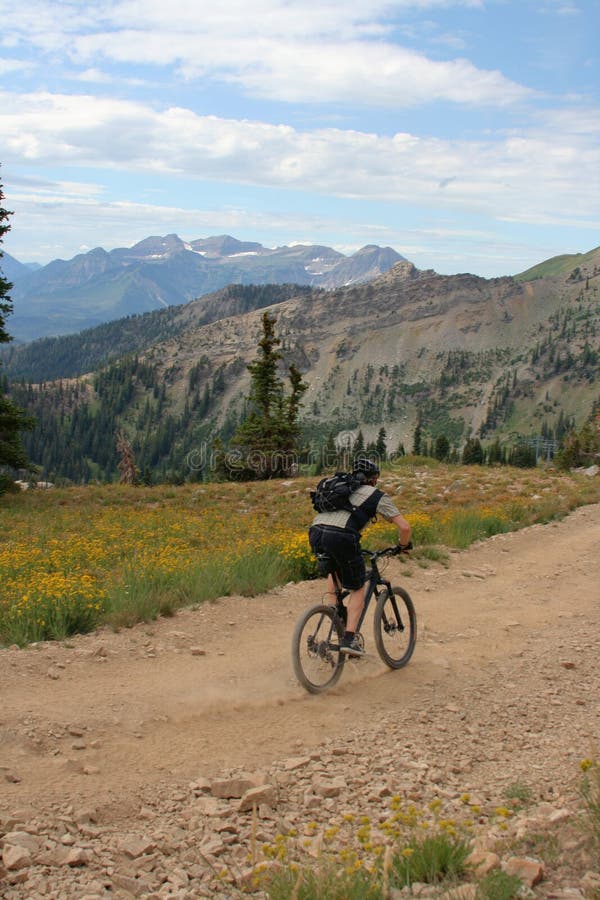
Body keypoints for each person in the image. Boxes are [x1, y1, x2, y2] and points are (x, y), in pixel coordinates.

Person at [308, 456, 412, 657]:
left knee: (334, 569)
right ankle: (349, 638)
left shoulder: (341, 488)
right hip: (341, 536)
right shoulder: (376, 495)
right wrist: (403, 546)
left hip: (316, 532)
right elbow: (405, 527)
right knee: (357, 588)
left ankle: (333, 611)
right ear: (373, 479)